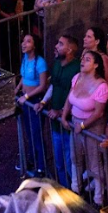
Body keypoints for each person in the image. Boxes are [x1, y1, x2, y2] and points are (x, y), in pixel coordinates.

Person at [62, 49, 108, 204]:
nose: (82, 61)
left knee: (94, 161)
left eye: (88, 59)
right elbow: (69, 99)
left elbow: (99, 112)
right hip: (76, 123)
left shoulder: (101, 86)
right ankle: (76, 186)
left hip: (93, 127)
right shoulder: (77, 78)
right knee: (75, 156)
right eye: (83, 58)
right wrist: (64, 116)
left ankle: (99, 196)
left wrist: (83, 125)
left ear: (96, 65)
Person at [37, 34, 80, 187]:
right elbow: (53, 86)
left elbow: (75, 94)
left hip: (69, 124)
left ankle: (77, 195)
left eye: (60, 44)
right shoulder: (56, 64)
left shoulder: (77, 69)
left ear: (69, 49)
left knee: (71, 162)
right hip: (56, 123)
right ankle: (64, 190)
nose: (56, 46)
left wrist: (62, 111)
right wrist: (43, 102)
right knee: (59, 162)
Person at [16, 34, 50, 176]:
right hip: (25, 101)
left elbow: (42, 86)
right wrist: (17, 89)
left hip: (34, 100)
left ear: (35, 45)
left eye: (28, 41)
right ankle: (31, 159)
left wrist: (27, 96)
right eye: (23, 41)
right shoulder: (25, 59)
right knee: (29, 133)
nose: (24, 44)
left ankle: (41, 166)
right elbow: (23, 77)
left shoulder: (40, 62)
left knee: (36, 134)